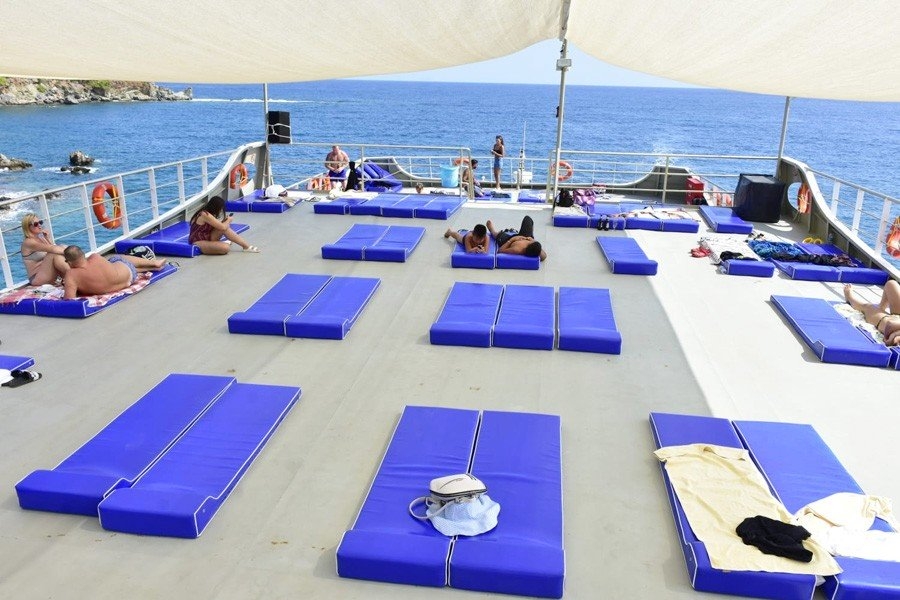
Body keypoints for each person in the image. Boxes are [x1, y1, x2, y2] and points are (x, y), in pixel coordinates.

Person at [62, 245, 167, 298]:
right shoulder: (95, 257)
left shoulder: (71, 275)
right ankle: (153, 263)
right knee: (116, 259)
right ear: (83, 255)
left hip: (126, 282)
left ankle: (153, 265)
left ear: (69, 262)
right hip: (130, 275)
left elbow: (69, 299)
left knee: (115, 261)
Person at [188, 196, 259, 254]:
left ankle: (246, 246)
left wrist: (225, 222)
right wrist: (229, 220)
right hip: (197, 241)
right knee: (225, 248)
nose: (220, 211)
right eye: (220, 209)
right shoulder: (204, 214)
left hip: (207, 237)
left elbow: (221, 227)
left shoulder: (209, 213)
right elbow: (223, 227)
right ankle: (217, 245)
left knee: (225, 228)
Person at [19, 213, 69, 285]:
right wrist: (72, 253)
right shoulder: (29, 242)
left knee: (62, 247)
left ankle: (73, 276)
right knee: (55, 253)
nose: (39, 225)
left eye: (40, 222)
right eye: (36, 224)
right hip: (37, 278)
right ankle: (75, 275)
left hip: (49, 273)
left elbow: (54, 248)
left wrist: (48, 238)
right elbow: (53, 250)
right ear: (28, 227)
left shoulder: (41, 238)